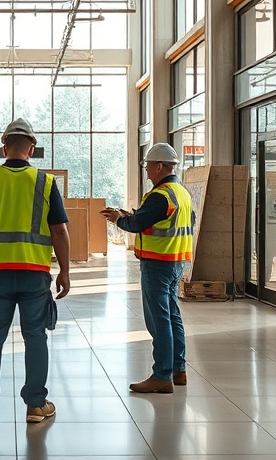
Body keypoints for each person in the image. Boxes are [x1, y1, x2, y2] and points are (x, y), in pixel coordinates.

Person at [0, 117, 71, 424]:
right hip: (34, 273)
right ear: (32, 148)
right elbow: (60, 231)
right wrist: (64, 271)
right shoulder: (45, 182)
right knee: (35, 336)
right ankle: (36, 405)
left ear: (4, 148)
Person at [100, 142, 194, 394]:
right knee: (173, 316)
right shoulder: (181, 192)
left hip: (158, 263)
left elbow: (138, 224)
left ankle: (162, 376)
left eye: (149, 167)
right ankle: (178, 369)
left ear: (160, 166)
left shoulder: (160, 195)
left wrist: (119, 219)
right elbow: (160, 221)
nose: (147, 172)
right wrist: (130, 215)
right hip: (176, 262)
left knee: (159, 320)